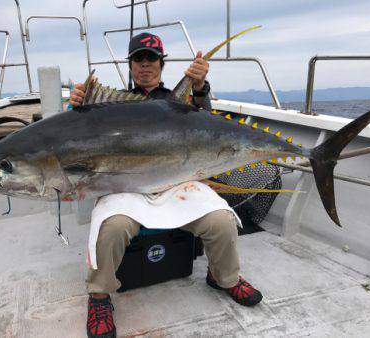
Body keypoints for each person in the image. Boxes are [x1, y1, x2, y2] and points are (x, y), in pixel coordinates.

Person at [69, 32, 262, 338]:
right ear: (130, 65)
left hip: (177, 184)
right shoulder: (110, 105)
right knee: (113, 228)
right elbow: (79, 136)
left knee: (221, 220)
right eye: (138, 59)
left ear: (161, 64)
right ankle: (100, 297)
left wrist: (200, 88)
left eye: (151, 59)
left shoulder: (178, 102)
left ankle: (224, 277)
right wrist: (77, 106)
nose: (145, 65)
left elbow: (205, 122)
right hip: (127, 188)